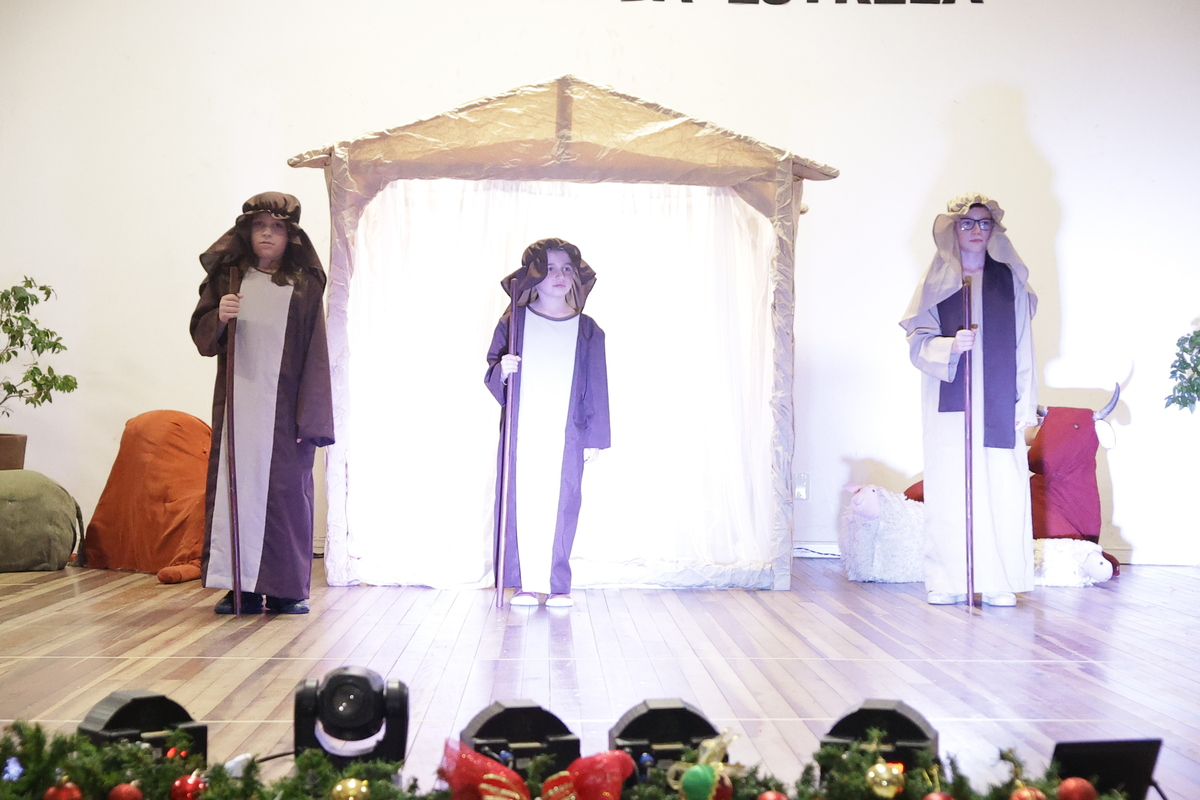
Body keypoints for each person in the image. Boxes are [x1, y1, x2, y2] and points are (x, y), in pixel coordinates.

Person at [190, 192, 334, 615]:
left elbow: (316, 353)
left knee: (287, 496)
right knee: (235, 492)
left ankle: (286, 589)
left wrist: (311, 416)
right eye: (259, 226)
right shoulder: (229, 280)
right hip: (238, 409)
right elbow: (203, 337)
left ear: (290, 236)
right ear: (247, 232)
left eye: (276, 227)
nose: (267, 234)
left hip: (286, 411)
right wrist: (219, 316)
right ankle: (241, 587)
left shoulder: (302, 287)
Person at [899, 194, 1038, 606]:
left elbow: (1024, 346)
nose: (976, 231)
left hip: (999, 403)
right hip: (950, 403)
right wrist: (949, 346)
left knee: (1003, 485)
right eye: (967, 223)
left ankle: (999, 580)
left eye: (984, 223)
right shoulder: (936, 282)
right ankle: (948, 580)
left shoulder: (1009, 282)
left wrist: (1024, 404)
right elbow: (918, 343)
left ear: (994, 229)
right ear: (952, 230)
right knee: (949, 486)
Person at [485, 238, 610, 608]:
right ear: (534, 275)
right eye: (550, 268)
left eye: (567, 268)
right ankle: (523, 582)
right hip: (524, 430)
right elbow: (494, 371)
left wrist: (594, 437)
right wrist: (502, 371)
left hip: (567, 432)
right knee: (521, 499)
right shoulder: (515, 323)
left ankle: (557, 584)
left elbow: (597, 384)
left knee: (563, 502)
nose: (560, 275)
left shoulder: (587, 330)